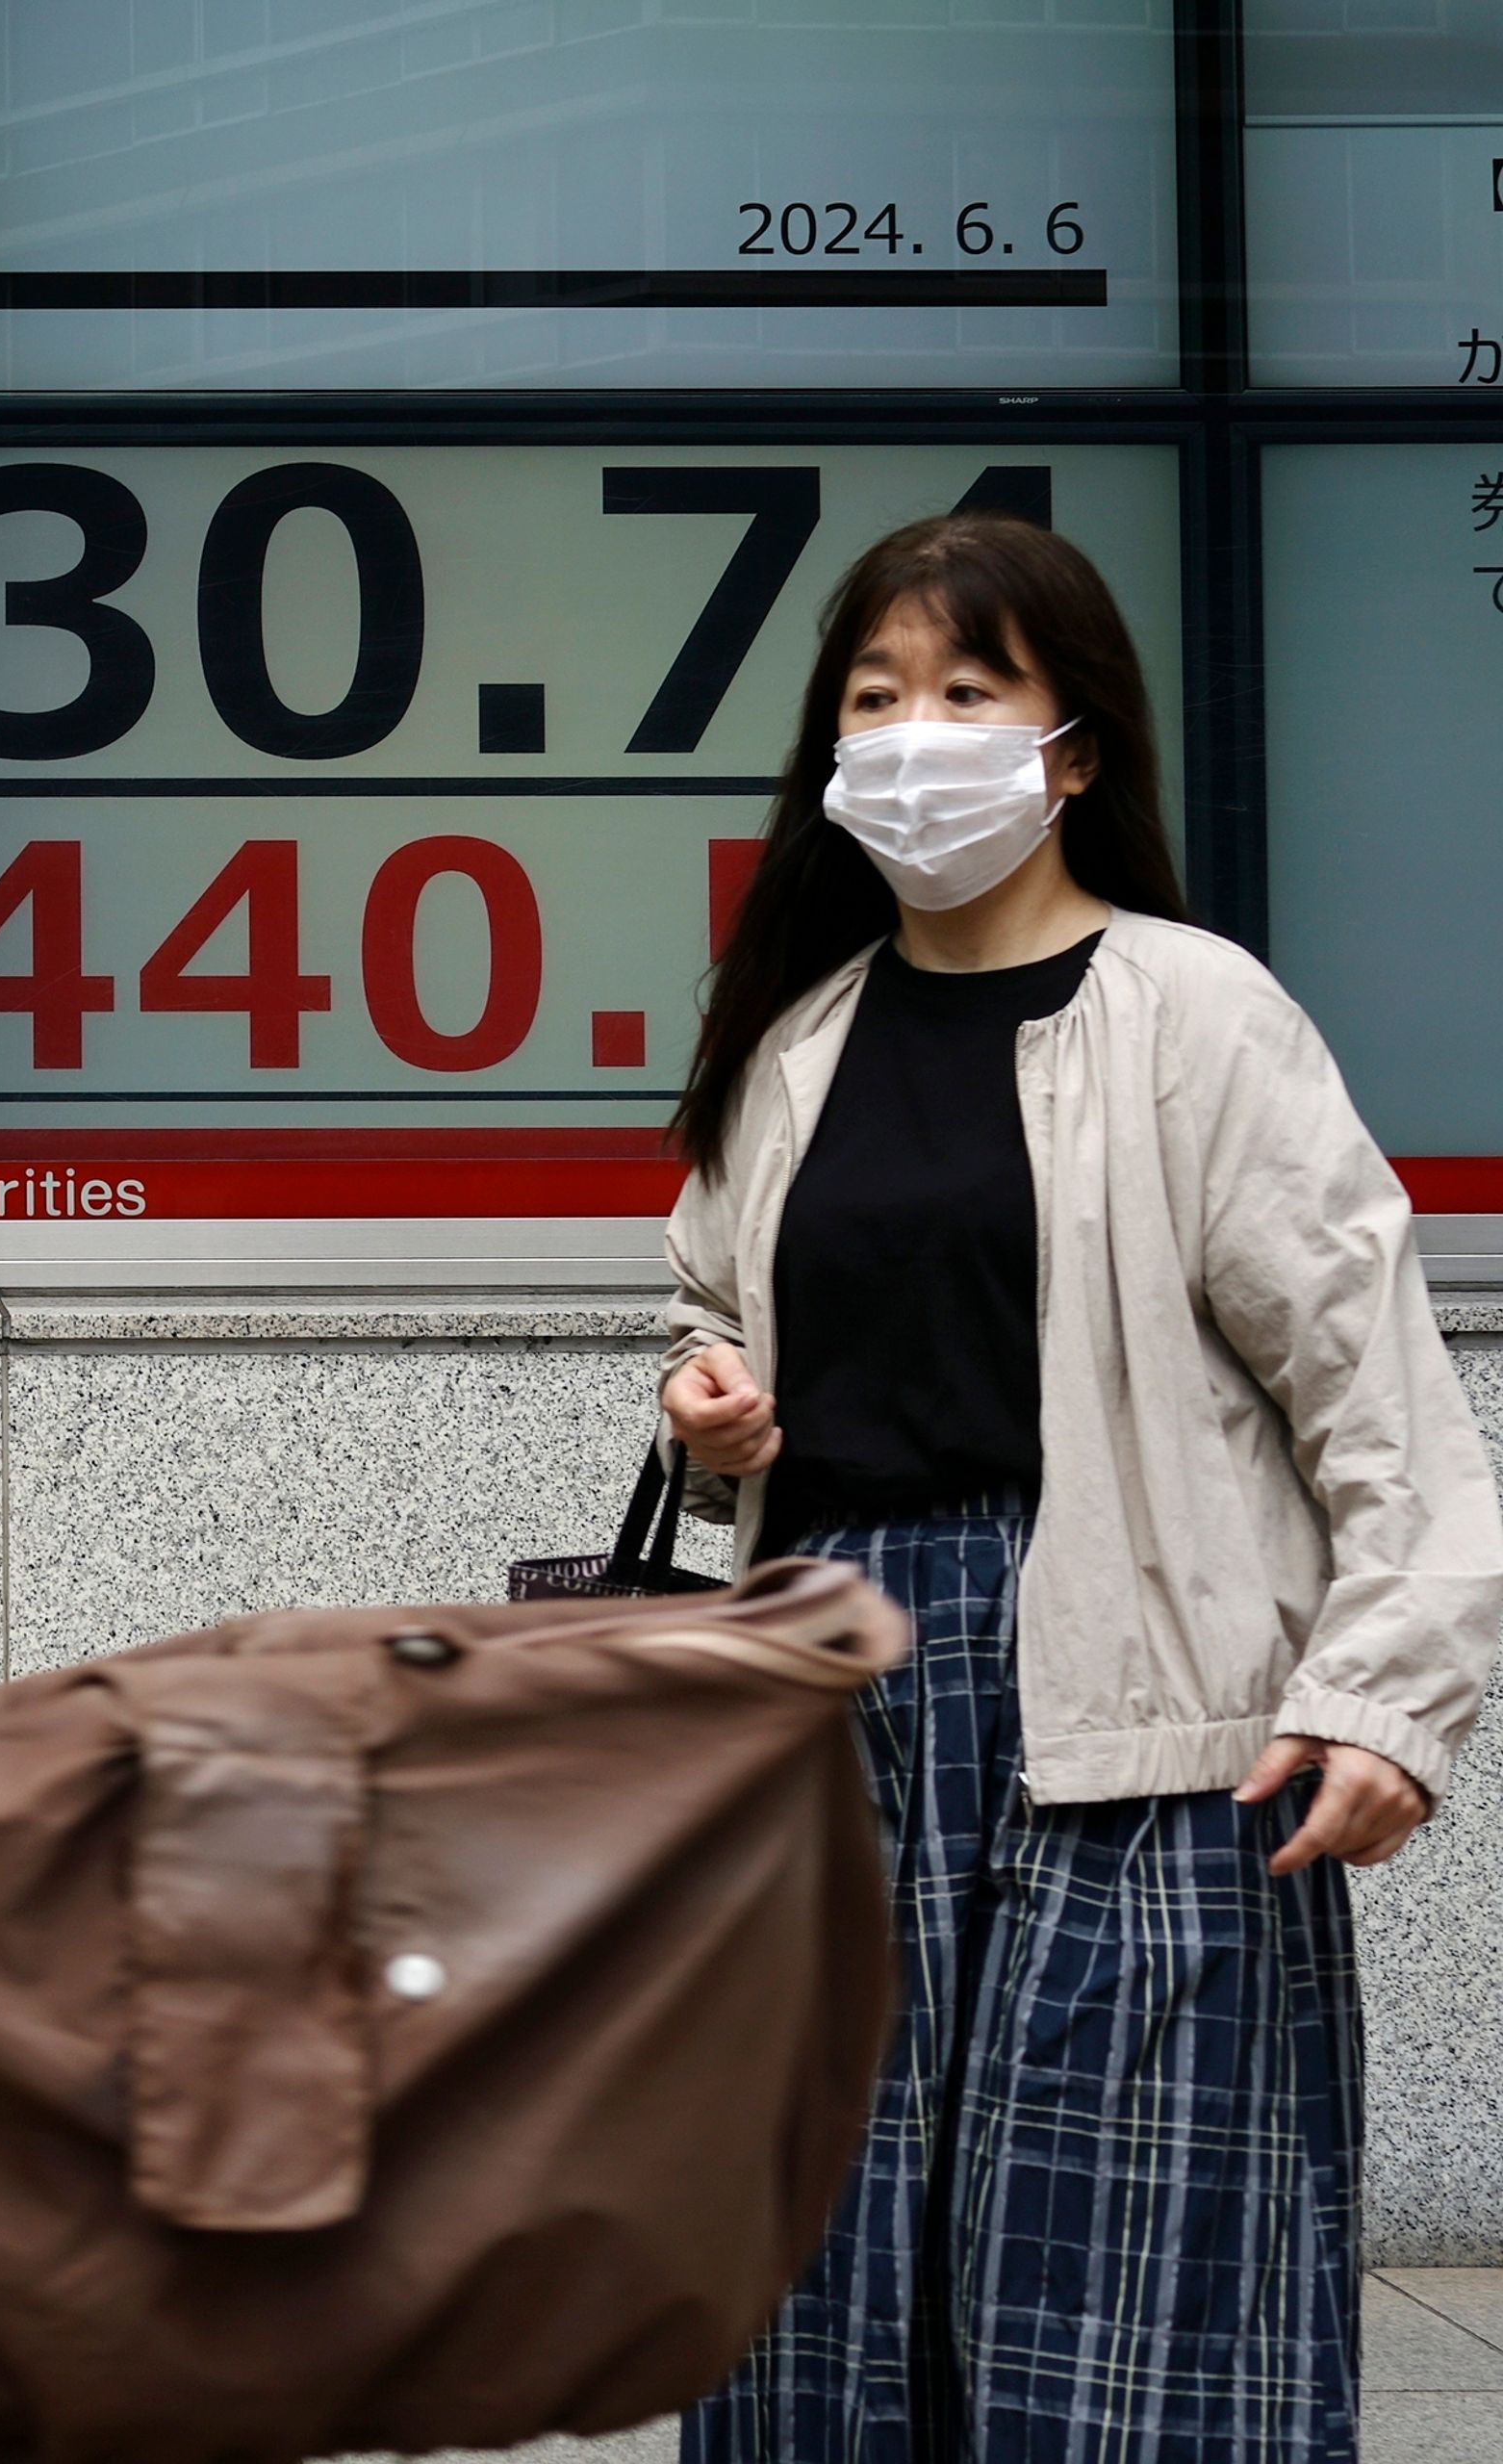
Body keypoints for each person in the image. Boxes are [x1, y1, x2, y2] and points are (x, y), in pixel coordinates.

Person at [657, 511, 1502, 2464]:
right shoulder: (795, 1039)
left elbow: (1376, 1393)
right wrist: (709, 1405)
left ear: (1074, 749)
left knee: (1110, 2302)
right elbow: (718, 1303)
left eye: (968, 690)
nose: (912, 734)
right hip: (824, 1707)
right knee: (815, 2281)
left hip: (1138, 1696)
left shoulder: (1196, 1016)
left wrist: (1384, 1696)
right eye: (875, 696)